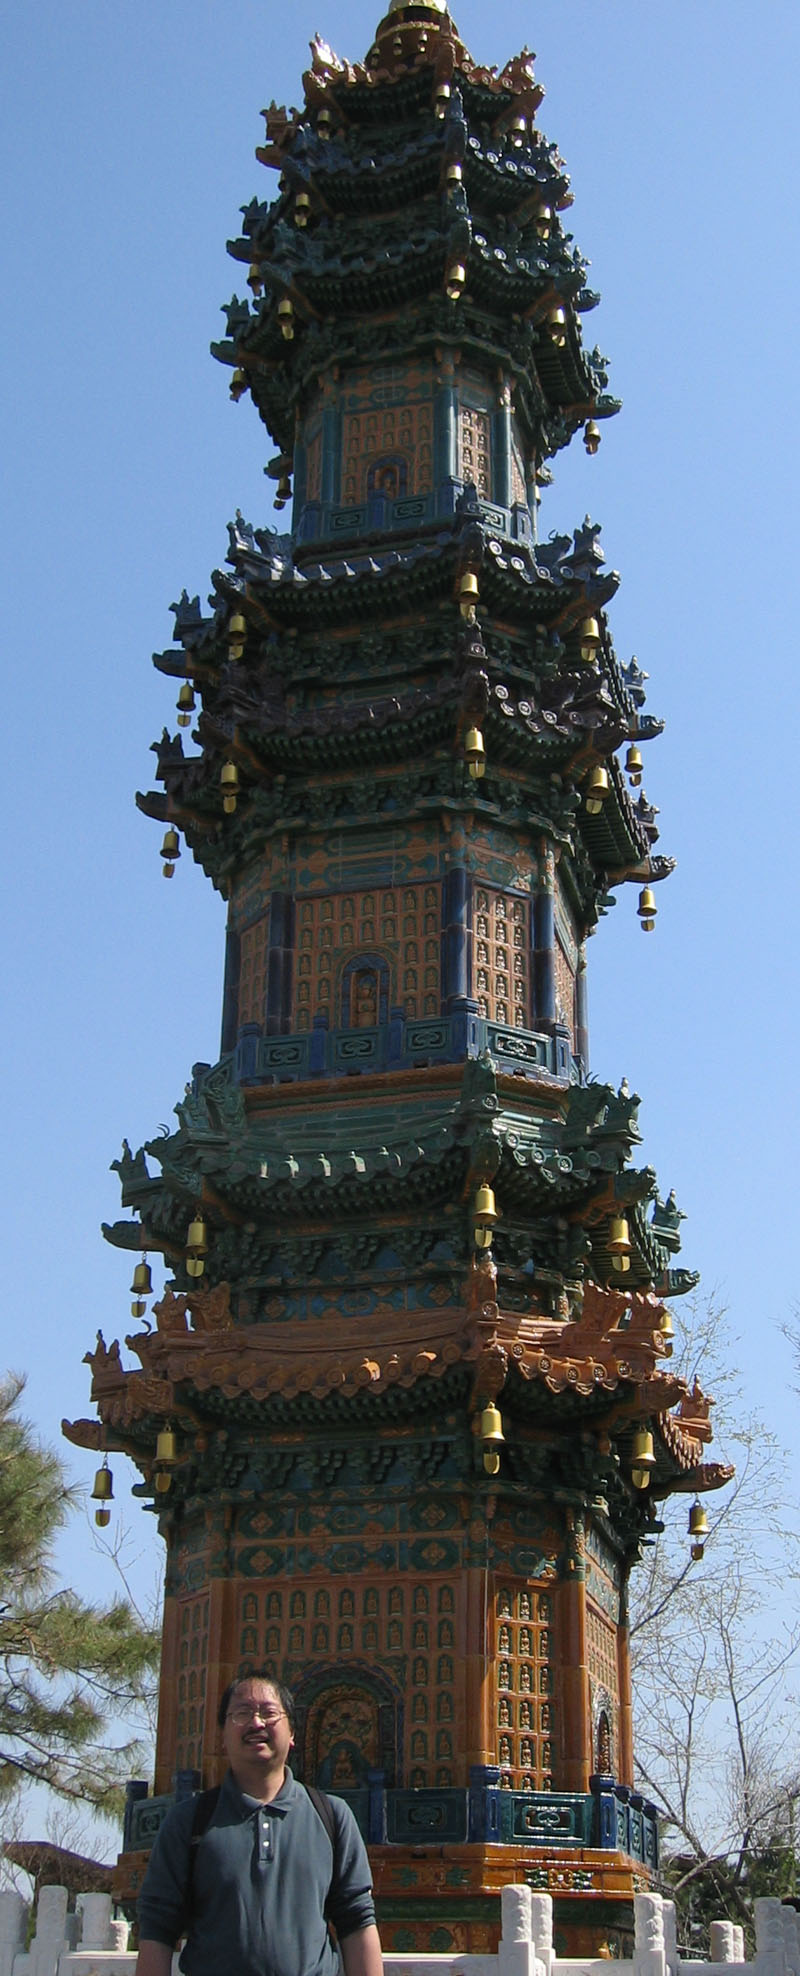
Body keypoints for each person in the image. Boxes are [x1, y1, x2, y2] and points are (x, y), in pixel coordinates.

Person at [135, 1673, 383, 1976]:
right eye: (241, 1713)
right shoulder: (188, 1821)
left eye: (269, 1713)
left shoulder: (331, 1815)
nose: (256, 1723)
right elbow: (158, 1924)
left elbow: (357, 1919)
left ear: (292, 1732)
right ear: (222, 1737)